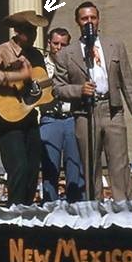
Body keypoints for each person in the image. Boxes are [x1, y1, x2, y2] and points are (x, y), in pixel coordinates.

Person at [53, 1, 132, 201]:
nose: (89, 22)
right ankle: (95, 210)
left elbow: (127, 82)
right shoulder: (66, 54)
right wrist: (79, 90)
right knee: (91, 165)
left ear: (98, 19)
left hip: (112, 110)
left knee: (119, 163)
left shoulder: (115, 46)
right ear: (77, 22)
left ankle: (124, 209)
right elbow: (57, 88)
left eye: (93, 18)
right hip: (85, 114)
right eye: (84, 18)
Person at [0, 10, 48, 205]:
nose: (33, 35)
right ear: (17, 31)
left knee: (33, 168)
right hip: (8, 121)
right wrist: (17, 77)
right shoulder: (2, 51)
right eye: (28, 30)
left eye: (34, 31)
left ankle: (26, 210)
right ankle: (15, 215)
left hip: (29, 117)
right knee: (19, 167)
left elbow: (41, 85)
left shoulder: (36, 54)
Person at [38, 27, 84, 203]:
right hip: (49, 118)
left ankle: (76, 207)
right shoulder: (40, 66)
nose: (59, 48)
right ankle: (49, 207)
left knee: (74, 166)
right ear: (49, 43)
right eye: (55, 43)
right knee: (50, 168)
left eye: (63, 44)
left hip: (72, 118)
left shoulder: (74, 63)